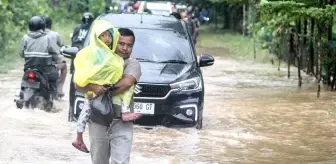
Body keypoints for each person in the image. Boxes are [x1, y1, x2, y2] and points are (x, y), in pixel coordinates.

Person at [72, 22, 141, 164]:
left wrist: (100, 90)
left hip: (122, 122)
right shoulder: (97, 61)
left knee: (121, 162)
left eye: (129, 45)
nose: (124, 48)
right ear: (114, 41)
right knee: (98, 161)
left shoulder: (133, 64)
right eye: (121, 43)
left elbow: (126, 83)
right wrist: (93, 86)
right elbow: (78, 85)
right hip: (98, 120)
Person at [19, 16, 59, 82]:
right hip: (45, 70)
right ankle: (53, 92)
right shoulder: (47, 38)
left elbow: (21, 54)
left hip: (29, 69)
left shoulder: (25, 37)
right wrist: (57, 59)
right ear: (43, 26)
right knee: (54, 77)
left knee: (25, 80)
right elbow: (55, 53)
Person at [44, 16, 67, 97]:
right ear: (50, 25)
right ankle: (60, 89)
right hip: (50, 64)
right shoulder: (54, 35)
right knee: (64, 64)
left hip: (35, 64)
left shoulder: (33, 35)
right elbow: (62, 46)